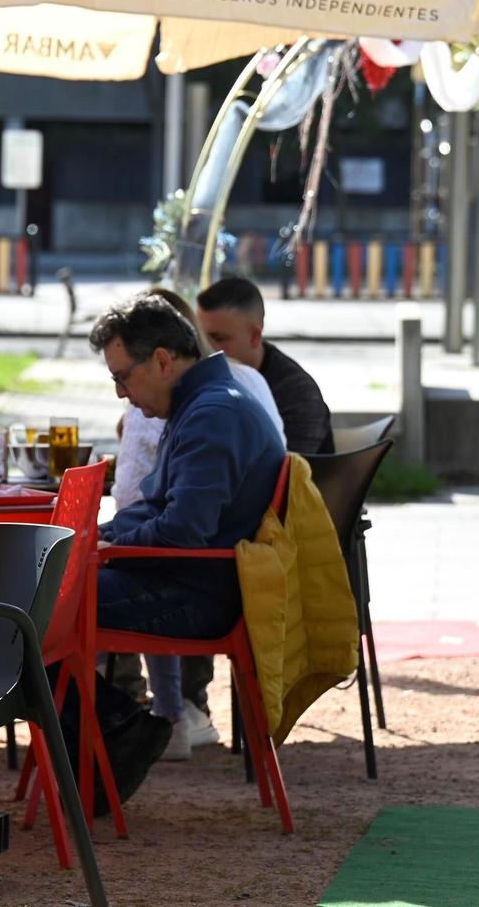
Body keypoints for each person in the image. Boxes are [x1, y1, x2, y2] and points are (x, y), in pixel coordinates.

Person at [87, 295, 286, 799]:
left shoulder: (212, 412)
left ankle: (120, 733)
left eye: (123, 377)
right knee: (30, 602)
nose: (119, 393)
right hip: (190, 580)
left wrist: (104, 547)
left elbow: (181, 530)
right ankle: (112, 734)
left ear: (161, 360)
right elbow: (160, 510)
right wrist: (101, 535)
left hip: (197, 593)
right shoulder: (205, 402)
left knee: (30, 609)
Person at [196, 277, 334, 455]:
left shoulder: (296, 393)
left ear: (254, 336)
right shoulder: (204, 374)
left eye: (219, 338)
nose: (205, 348)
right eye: (200, 336)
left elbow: (288, 475)